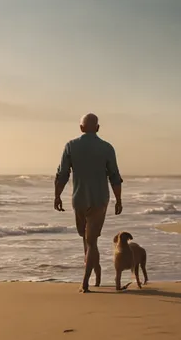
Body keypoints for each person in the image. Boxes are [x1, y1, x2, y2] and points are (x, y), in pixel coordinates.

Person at [54, 113, 123, 293]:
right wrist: (118, 199)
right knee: (91, 240)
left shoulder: (71, 146)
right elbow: (115, 177)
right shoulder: (107, 148)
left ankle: (85, 282)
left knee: (88, 240)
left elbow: (62, 174)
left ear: (81, 128)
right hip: (100, 199)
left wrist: (57, 196)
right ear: (98, 128)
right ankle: (96, 272)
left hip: (79, 199)